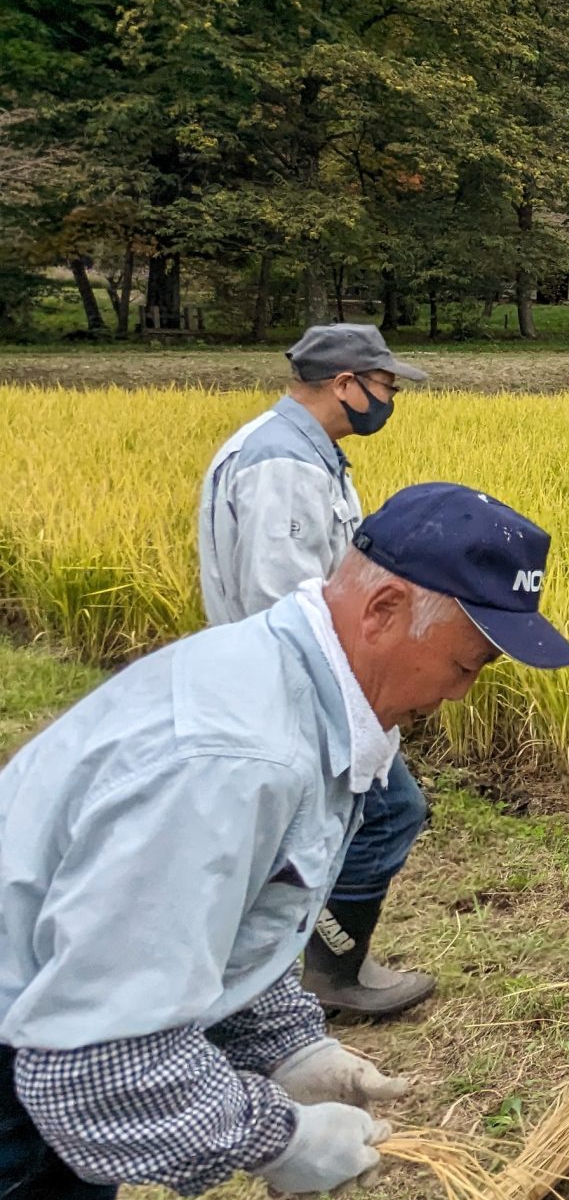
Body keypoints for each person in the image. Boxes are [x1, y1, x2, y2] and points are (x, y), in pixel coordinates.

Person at [1, 484, 569, 1200]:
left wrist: (287, 1043)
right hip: (17, 1077)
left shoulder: (297, 694)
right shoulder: (235, 759)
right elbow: (91, 1069)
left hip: (34, 1043)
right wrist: (276, 1138)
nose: (462, 692)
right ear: (386, 610)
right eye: (468, 665)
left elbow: (238, 913)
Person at [195, 322, 438, 1021]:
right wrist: (354, 700)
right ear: (344, 384)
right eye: (386, 385)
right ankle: (330, 971)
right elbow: (287, 598)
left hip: (294, 682)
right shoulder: (284, 464)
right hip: (298, 687)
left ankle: (289, 971)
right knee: (387, 815)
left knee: (306, 833)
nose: (390, 399)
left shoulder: (304, 452)